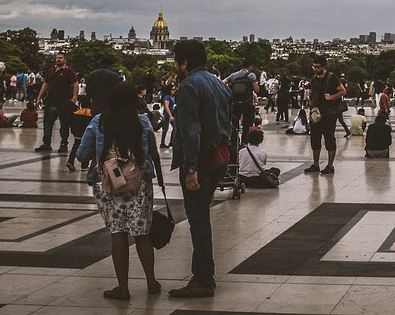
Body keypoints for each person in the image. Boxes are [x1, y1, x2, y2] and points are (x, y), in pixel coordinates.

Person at [77, 81, 163, 300]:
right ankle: (151, 281)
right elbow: (152, 154)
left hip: (109, 185)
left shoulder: (99, 122)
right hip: (139, 184)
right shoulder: (143, 122)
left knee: (118, 233)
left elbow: (82, 153)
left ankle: (123, 288)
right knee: (142, 234)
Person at [169, 39, 232, 299]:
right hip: (220, 156)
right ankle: (205, 274)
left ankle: (203, 278)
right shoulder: (218, 82)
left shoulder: (188, 86)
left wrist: (191, 166)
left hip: (201, 160)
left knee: (198, 220)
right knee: (201, 216)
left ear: (184, 63)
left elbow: (190, 131)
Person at [304, 56, 345, 174]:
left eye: (318, 67)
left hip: (328, 113)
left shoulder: (332, 78)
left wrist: (332, 97)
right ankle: (315, 164)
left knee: (329, 138)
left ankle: (330, 165)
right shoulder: (314, 78)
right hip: (315, 113)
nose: (315, 69)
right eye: (314, 67)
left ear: (323, 66)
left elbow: (342, 91)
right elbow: (313, 91)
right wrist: (310, 93)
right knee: (315, 139)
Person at [34, 54, 78, 153]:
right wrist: (39, 97)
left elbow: (75, 84)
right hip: (51, 101)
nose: (58, 59)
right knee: (48, 124)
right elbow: (46, 84)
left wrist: (74, 98)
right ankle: (46, 143)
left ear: (65, 60)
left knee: (64, 124)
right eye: (57, 58)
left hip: (64, 102)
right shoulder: (51, 71)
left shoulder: (69, 71)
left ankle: (63, 143)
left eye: (60, 58)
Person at [223, 60, 259, 145]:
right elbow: (256, 89)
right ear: (250, 66)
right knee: (246, 124)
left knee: (235, 123)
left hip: (235, 103)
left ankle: (235, 141)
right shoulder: (251, 75)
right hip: (248, 104)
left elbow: (223, 83)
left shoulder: (234, 75)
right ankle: (244, 143)